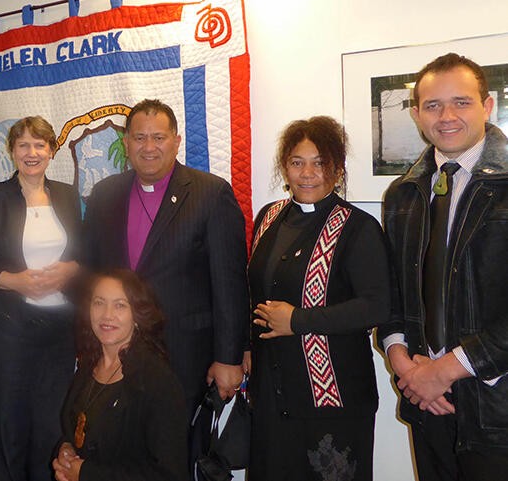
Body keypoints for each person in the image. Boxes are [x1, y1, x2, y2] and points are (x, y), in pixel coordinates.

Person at [379, 53, 508, 480]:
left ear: (487, 106)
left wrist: (445, 369)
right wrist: (405, 366)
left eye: (461, 102)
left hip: (496, 409)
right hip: (427, 405)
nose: (446, 116)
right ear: (417, 114)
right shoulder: (403, 193)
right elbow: (393, 291)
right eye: (433, 105)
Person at [246, 116, 390, 480]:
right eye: (297, 162)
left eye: (320, 162)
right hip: (272, 396)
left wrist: (298, 320)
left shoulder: (358, 227)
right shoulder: (268, 217)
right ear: (284, 168)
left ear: (337, 169)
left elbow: (377, 306)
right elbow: (253, 293)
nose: (308, 173)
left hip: (332, 400)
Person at [82, 98, 249, 414]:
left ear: (176, 142)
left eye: (158, 137)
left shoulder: (210, 194)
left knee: (176, 456)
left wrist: (229, 357)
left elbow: (230, 283)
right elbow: (93, 274)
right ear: (126, 142)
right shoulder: (105, 194)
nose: (149, 147)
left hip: (184, 356)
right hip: (117, 355)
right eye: (140, 137)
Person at [0, 116, 82, 481]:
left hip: (60, 329)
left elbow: (85, 252)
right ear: (12, 151)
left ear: (52, 151)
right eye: (23, 145)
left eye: (40, 145)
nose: (32, 152)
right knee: (9, 423)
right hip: (11, 328)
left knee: (51, 424)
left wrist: (71, 268)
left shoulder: (67, 195)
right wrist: (14, 281)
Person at [53, 269, 188, 481]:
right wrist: (66, 449)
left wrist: (85, 474)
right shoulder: (89, 365)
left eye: (120, 305)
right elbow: (80, 430)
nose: (107, 315)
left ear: (137, 315)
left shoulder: (157, 381)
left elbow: (169, 475)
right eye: (99, 302)